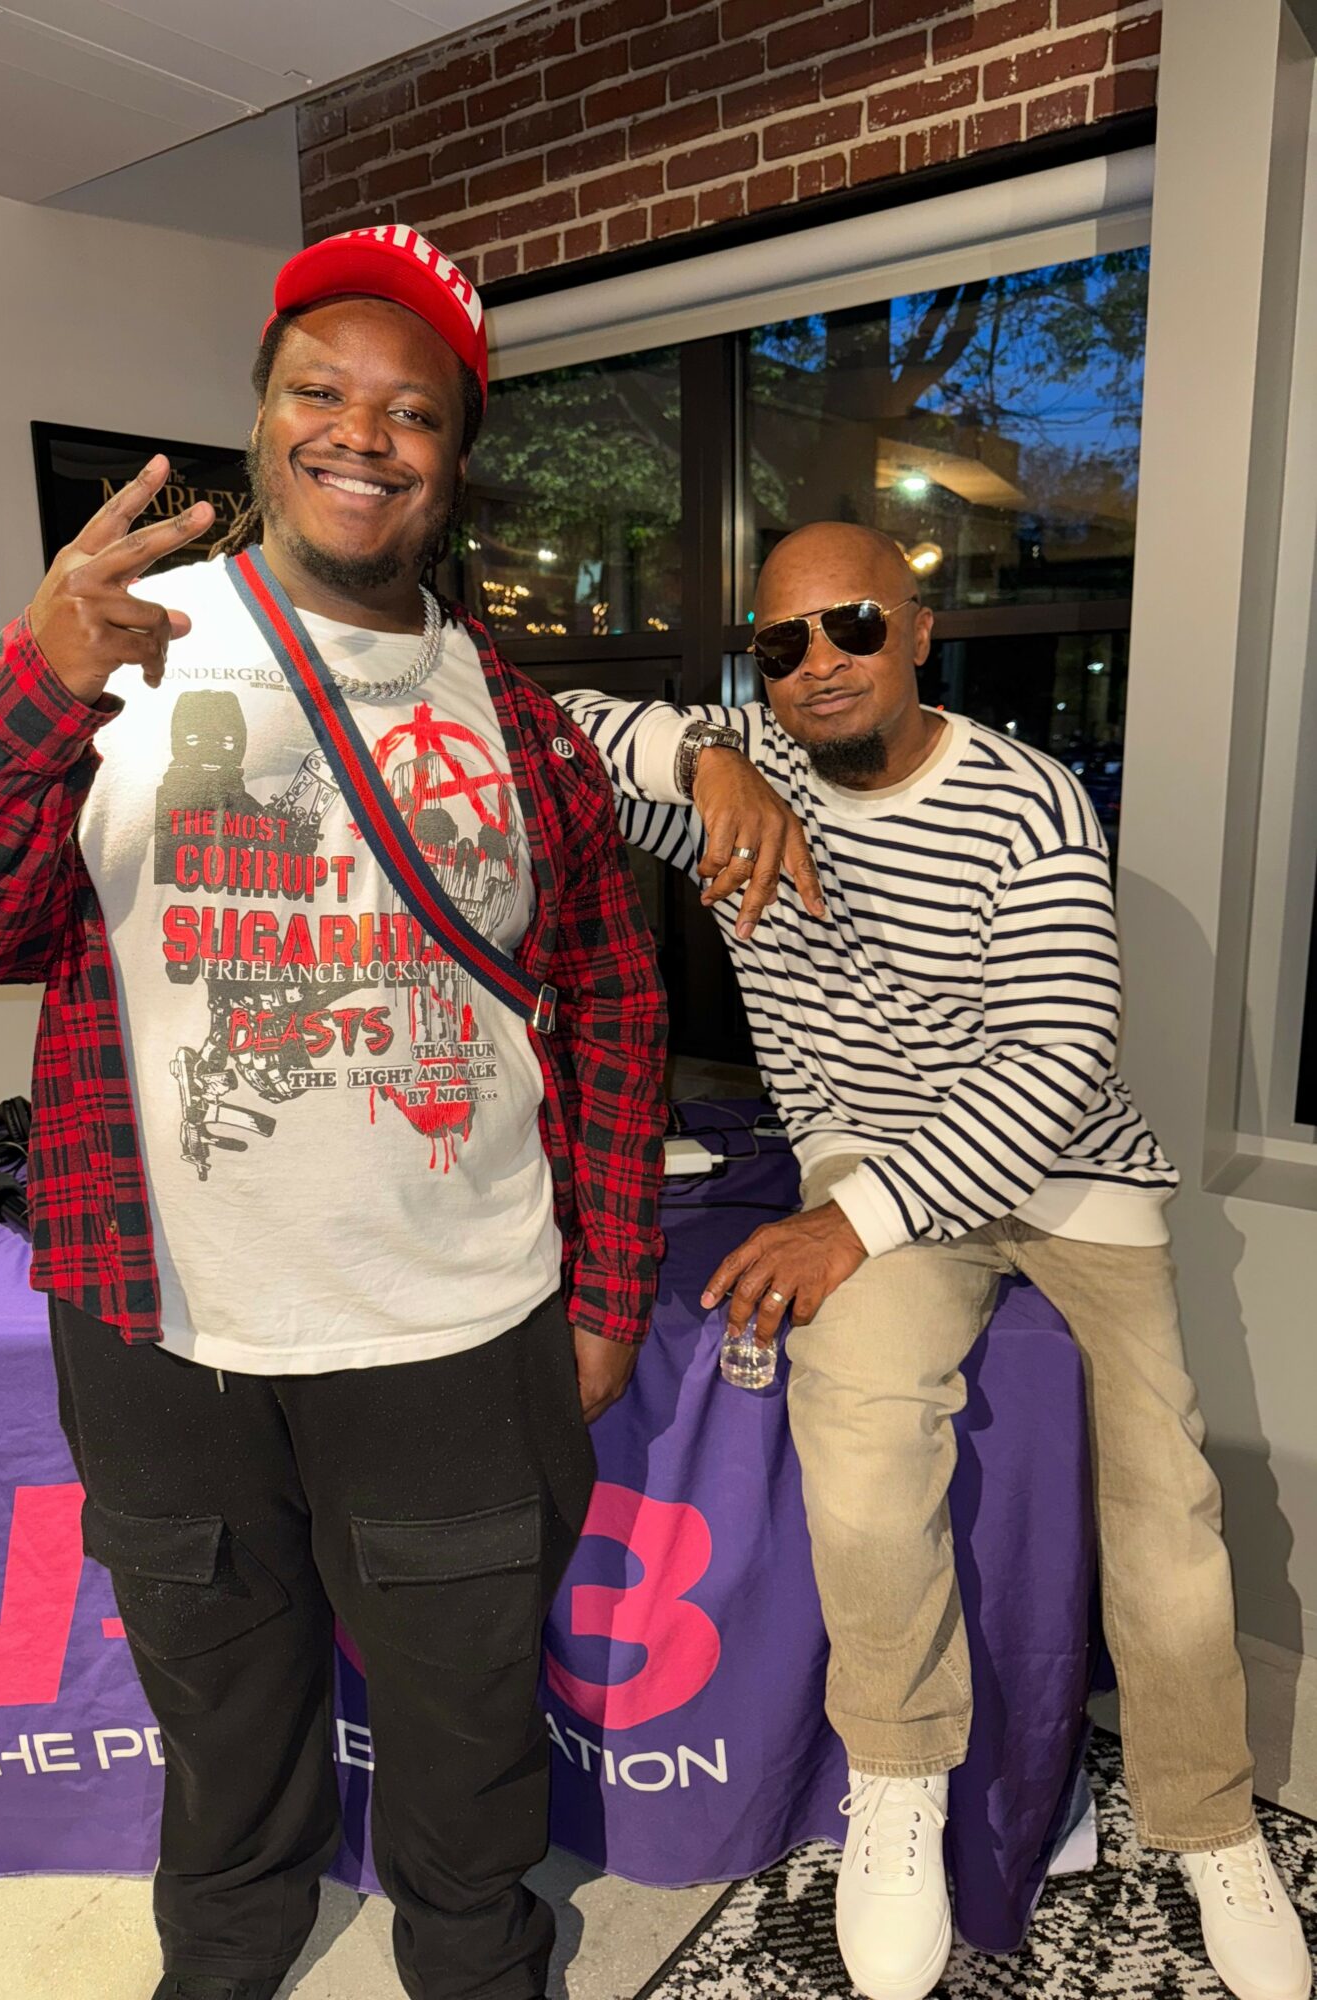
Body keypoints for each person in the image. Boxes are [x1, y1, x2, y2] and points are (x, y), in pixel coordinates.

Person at [0, 224, 667, 2000]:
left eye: (411, 412)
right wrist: (33, 677)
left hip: (460, 1327)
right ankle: (224, 1956)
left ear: (453, 459)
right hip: (162, 1319)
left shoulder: (519, 725)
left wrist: (609, 1283)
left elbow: (613, 1005)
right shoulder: (129, 656)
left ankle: (476, 1959)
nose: (361, 434)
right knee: (220, 1697)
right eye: (323, 390)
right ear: (263, 414)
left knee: (466, 1718)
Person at [561, 520, 1311, 2000]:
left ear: (918, 631)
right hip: (871, 1164)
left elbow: (1053, 1062)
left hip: (1064, 1175)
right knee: (858, 1436)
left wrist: (854, 1220)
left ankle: (1210, 1828)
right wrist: (710, 753)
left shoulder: (1026, 804)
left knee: (1168, 1492)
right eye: (779, 646)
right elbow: (559, 731)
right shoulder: (750, 782)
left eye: (848, 628)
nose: (818, 664)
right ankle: (896, 1780)